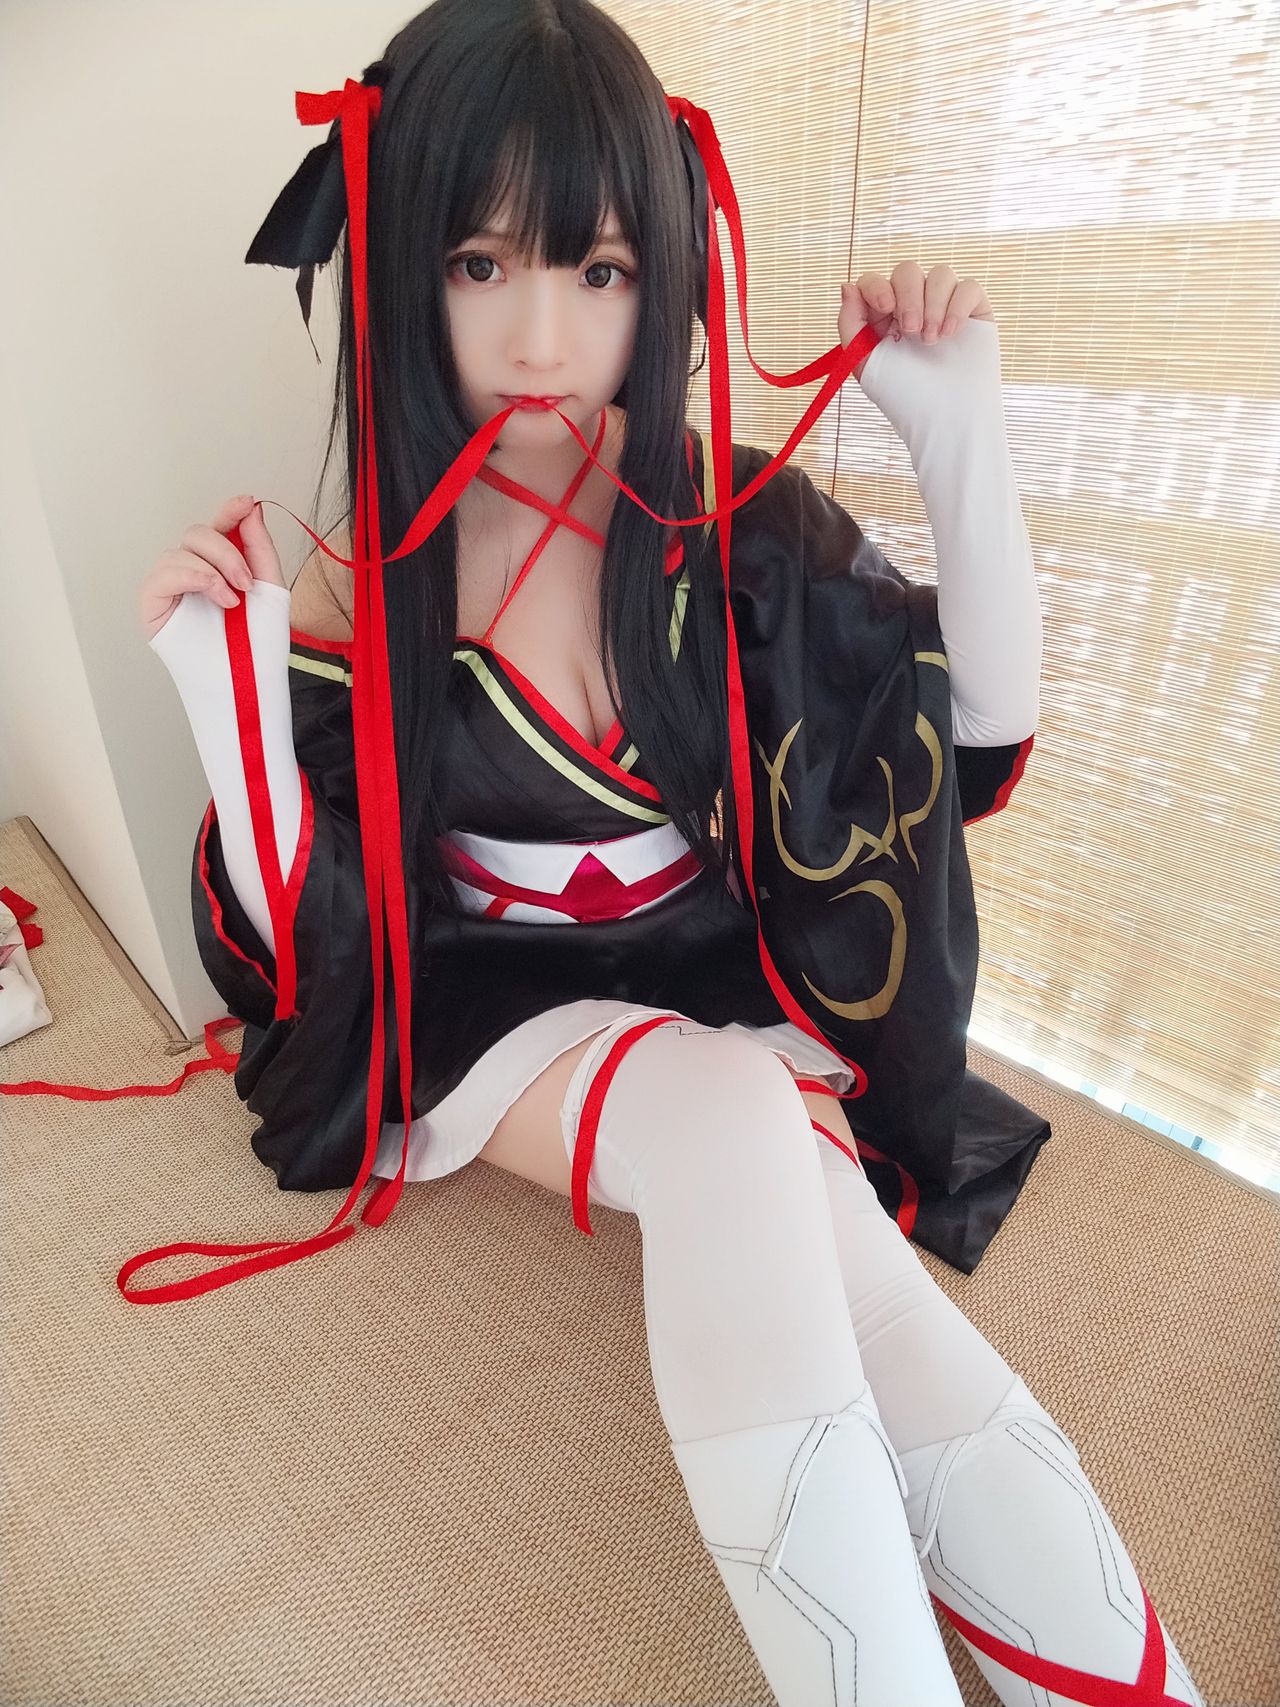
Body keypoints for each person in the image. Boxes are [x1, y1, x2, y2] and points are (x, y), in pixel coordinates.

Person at [131, 1, 1206, 1700]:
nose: (541, 337)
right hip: (487, 1006)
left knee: (863, 1274)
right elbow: (297, 950)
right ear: (403, 265)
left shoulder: (735, 527)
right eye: (479, 265)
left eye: (601, 269)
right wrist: (231, 699)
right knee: (727, 1118)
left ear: (665, 278)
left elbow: (971, 743)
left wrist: (960, 431)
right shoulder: (353, 579)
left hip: (716, 972)